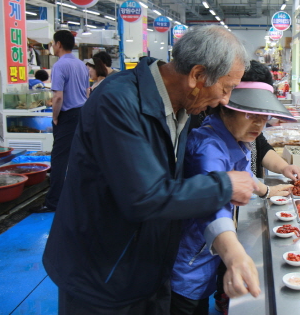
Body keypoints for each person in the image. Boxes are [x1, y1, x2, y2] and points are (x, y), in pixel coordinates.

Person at [42, 25, 259, 314]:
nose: (225, 100)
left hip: (148, 267)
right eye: (226, 88)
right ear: (196, 75)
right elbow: (143, 196)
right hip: (102, 274)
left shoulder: (184, 107)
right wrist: (225, 185)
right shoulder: (118, 101)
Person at [170, 61, 297, 315]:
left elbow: (244, 176)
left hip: (208, 257)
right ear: (225, 107)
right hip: (190, 262)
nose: (259, 125)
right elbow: (214, 204)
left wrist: (267, 191)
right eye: (251, 115)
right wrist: (236, 256)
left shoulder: (235, 139)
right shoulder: (208, 147)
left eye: (264, 117)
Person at [31, 30, 89, 213]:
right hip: (82, 114)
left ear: (58, 44)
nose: (52, 47)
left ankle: (53, 202)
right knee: (78, 158)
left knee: (59, 160)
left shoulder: (60, 66)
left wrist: (55, 117)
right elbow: (87, 92)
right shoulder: (81, 65)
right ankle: (78, 196)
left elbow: (57, 97)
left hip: (68, 116)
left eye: (53, 43)